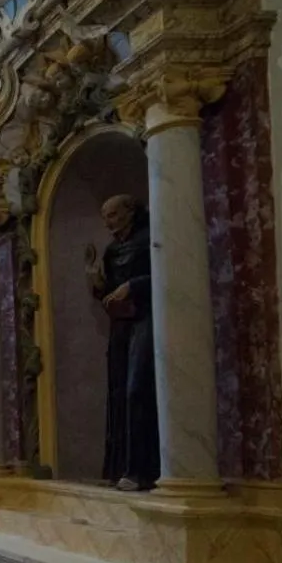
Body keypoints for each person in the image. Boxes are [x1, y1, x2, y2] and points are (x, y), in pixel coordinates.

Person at [85, 194, 159, 491]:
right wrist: (96, 281)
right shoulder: (113, 249)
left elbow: (167, 273)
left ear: (130, 211)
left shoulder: (150, 237)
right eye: (105, 217)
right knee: (118, 392)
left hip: (147, 317)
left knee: (137, 389)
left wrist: (133, 285)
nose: (108, 222)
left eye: (113, 215)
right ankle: (121, 468)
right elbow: (109, 292)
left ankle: (144, 470)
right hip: (122, 324)